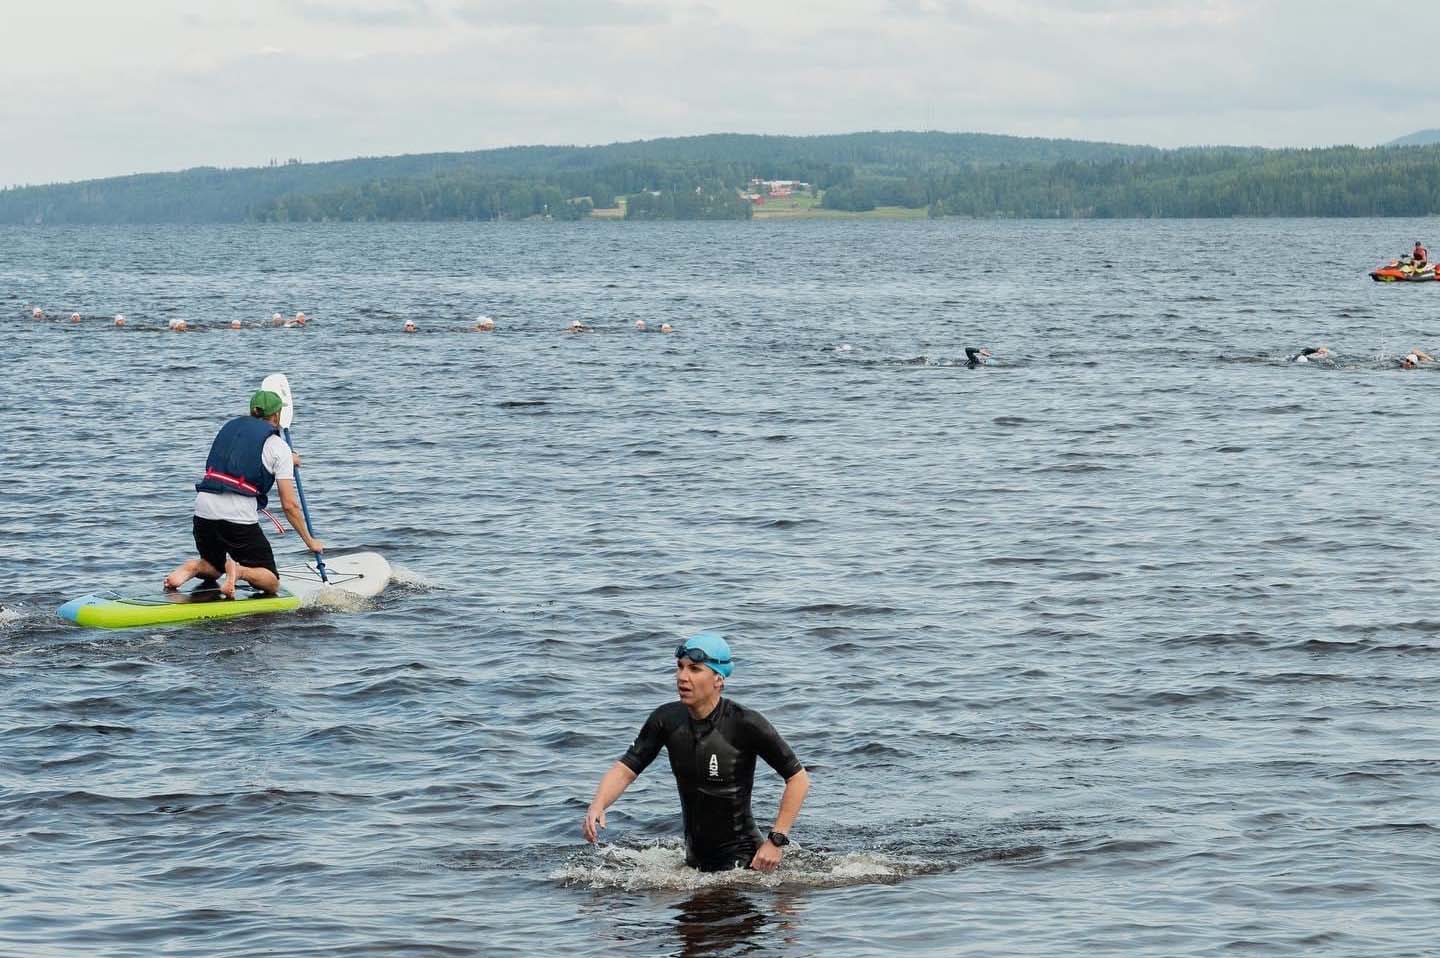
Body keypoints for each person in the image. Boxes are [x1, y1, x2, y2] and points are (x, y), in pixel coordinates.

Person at [582, 634, 810, 873]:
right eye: (680, 667)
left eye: (695, 669)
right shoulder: (666, 720)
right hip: (693, 864)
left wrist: (776, 841)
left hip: (744, 866)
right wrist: (598, 804)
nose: (682, 677)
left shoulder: (744, 723)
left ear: (718, 678)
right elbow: (626, 770)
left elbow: (798, 779)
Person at [163, 389, 324, 598]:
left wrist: (287, 459)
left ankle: (195, 567)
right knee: (271, 581)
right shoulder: (279, 447)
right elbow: (289, 505)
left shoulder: (230, 428)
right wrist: (310, 541)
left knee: (215, 565)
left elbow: (243, 460)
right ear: (276, 416)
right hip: (237, 517)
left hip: (203, 510)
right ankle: (240, 570)